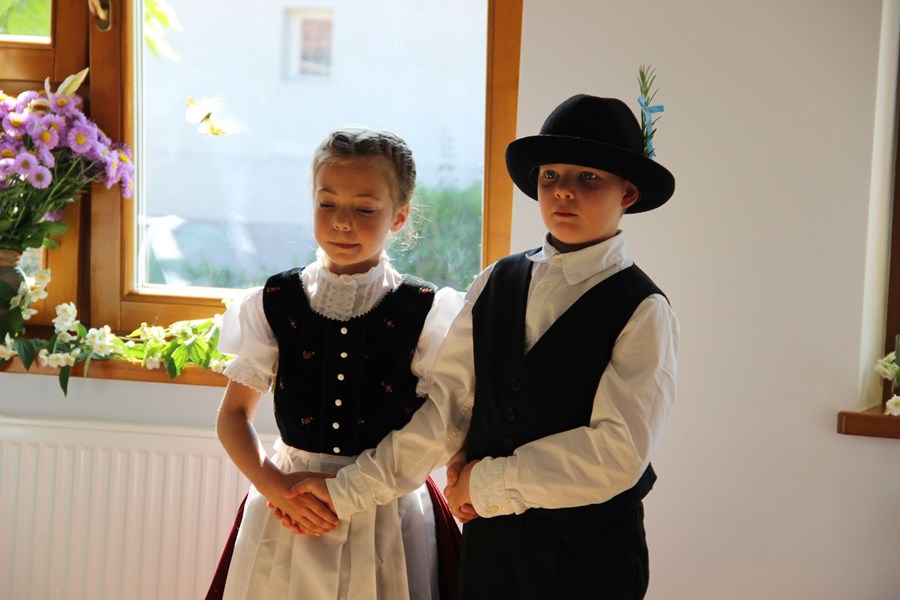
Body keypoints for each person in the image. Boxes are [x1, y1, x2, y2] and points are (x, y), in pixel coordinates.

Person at [287, 93, 680, 599]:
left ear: (628, 192)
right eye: (551, 175)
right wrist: (346, 492)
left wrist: (484, 484)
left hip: (589, 557)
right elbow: (449, 408)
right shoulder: (497, 280)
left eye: (588, 178)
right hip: (491, 551)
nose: (563, 191)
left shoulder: (643, 308)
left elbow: (617, 452)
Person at [209, 127, 464, 600]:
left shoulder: (426, 312)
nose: (342, 222)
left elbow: (445, 425)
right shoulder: (275, 301)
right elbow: (233, 415)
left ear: (399, 216)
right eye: (327, 203)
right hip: (289, 507)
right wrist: (275, 487)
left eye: (365, 209)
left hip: (385, 509)